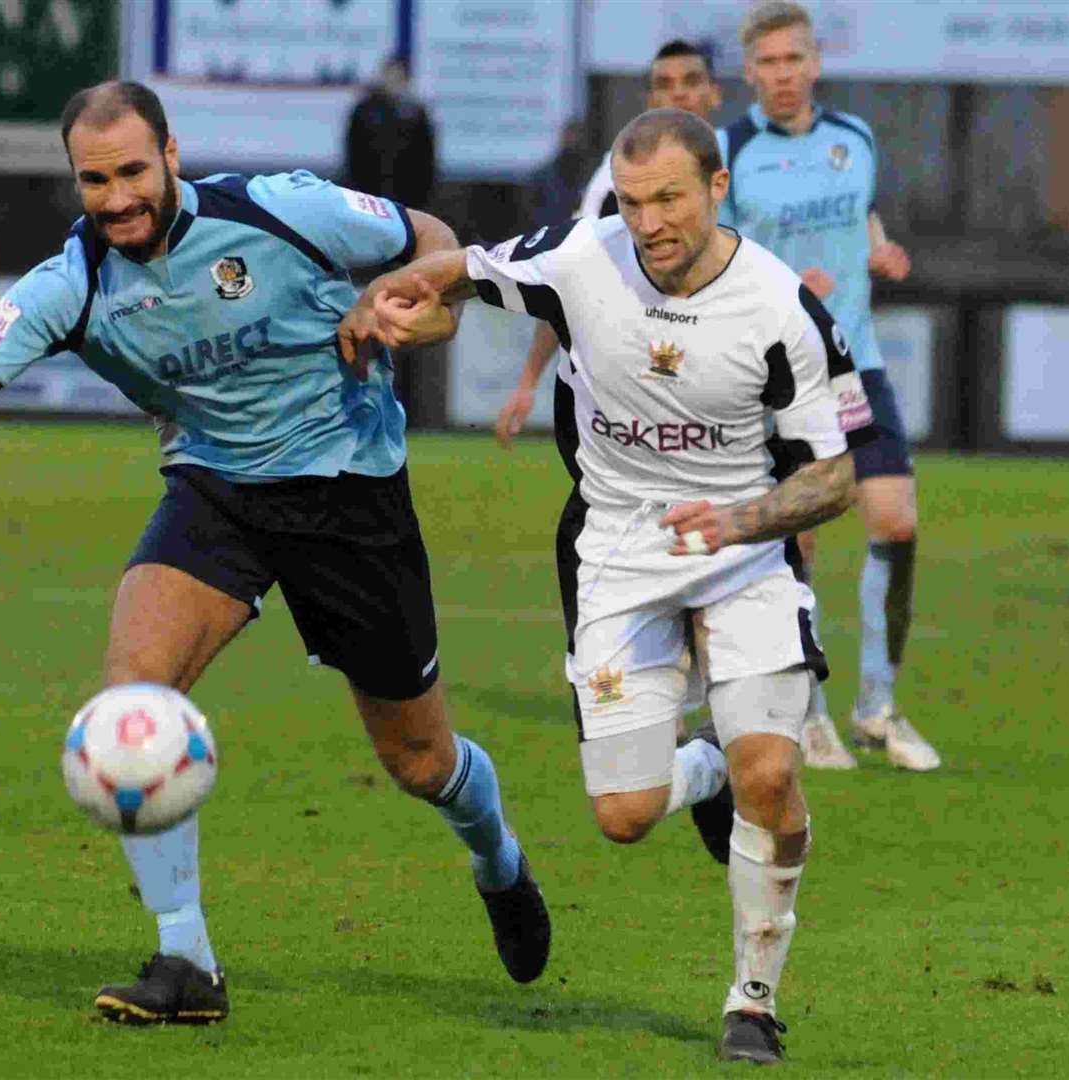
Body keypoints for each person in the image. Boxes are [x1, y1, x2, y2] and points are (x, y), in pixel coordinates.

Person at [0, 80, 550, 1026]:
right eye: (93, 180)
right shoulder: (70, 282)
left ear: (170, 151)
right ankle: (185, 963)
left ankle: (498, 860)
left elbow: (435, 241)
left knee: (419, 760)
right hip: (215, 494)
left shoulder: (278, 208)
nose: (116, 197)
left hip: (349, 494)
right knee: (131, 704)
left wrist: (407, 302)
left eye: (131, 171)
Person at [348, 108, 874, 1067]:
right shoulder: (580, 256)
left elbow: (834, 478)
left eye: (670, 198)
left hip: (746, 551)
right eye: (632, 202)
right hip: (615, 555)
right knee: (624, 816)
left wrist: (742, 521)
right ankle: (707, 759)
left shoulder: (781, 308)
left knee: (774, 774)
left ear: (719, 189)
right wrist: (393, 306)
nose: (649, 222)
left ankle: (753, 1001)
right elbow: (455, 272)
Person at [718, 2, 938, 771]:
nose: (782, 75)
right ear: (749, 73)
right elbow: (713, 261)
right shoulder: (731, 149)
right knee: (798, 535)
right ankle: (808, 711)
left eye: (794, 60)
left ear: (815, 65)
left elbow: (863, 214)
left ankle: (877, 705)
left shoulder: (855, 139)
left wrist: (879, 251)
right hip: (780, 375)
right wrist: (781, 283)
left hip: (855, 362)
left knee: (896, 523)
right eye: (768, 64)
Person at [495, 39, 723, 448]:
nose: (679, 94)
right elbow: (565, 273)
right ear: (650, 100)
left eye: (691, 81)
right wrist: (528, 381)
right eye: (665, 84)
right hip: (632, 389)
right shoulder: (617, 179)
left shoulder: (738, 166)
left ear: (715, 93)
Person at [343, 56, 436, 211]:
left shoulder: (415, 112)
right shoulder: (365, 111)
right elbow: (354, 150)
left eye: (398, 77)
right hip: (368, 190)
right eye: (390, 76)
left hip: (408, 192)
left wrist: (423, 192)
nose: (393, 82)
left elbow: (425, 155)